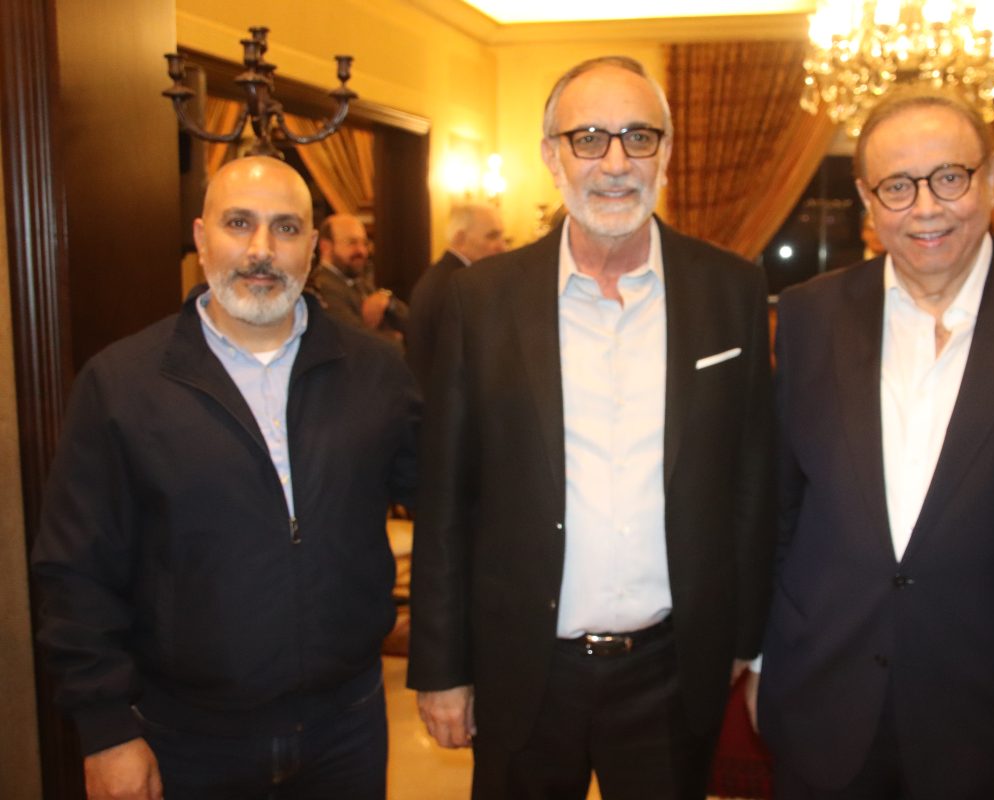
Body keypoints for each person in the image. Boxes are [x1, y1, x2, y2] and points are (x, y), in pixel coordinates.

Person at [755, 89, 994, 800]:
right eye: (897, 186)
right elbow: (780, 511)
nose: (926, 208)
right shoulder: (811, 315)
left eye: (949, 177)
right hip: (824, 698)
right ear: (867, 199)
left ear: (991, 178)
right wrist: (763, 660)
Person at [407, 55, 774, 799]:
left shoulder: (730, 288)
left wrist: (744, 637)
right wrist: (441, 667)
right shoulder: (481, 300)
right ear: (552, 157)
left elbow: (752, 478)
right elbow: (445, 498)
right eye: (588, 138)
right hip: (523, 667)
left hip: (672, 670)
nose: (614, 163)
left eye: (638, 137)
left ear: (666, 154)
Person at [32, 156, 421, 800]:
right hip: (186, 740)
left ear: (312, 247)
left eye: (285, 228)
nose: (261, 249)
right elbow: (75, 571)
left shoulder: (376, 373)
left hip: (346, 729)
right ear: (201, 237)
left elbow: (446, 509)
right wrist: (105, 729)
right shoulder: (122, 383)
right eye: (238, 223)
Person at [406, 202, 506, 387]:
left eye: (502, 237)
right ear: (460, 238)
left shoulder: (444, 276)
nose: (502, 247)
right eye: (492, 236)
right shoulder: (457, 284)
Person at [309, 212, 407, 341]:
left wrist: (387, 300)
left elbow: (410, 323)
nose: (362, 251)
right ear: (326, 247)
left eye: (364, 243)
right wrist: (395, 338)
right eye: (352, 242)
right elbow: (354, 339)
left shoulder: (360, 282)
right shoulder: (321, 286)